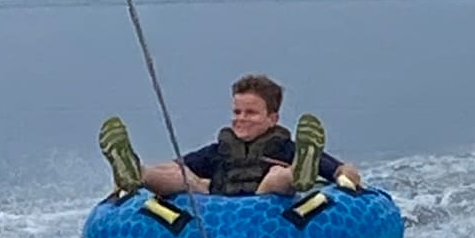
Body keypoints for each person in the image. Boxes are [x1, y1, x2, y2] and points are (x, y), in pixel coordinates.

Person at [98, 74, 364, 199]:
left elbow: (342, 170)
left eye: (251, 113)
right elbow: (178, 166)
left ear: (273, 119)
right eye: (237, 111)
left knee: (275, 177)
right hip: (219, 211)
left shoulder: (286, 147)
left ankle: (300, 173)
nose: (241, 118)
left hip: (267, 209)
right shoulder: (219, 150)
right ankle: (134, 172)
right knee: (184, 176)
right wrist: (151, 174)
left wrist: (347, 178)